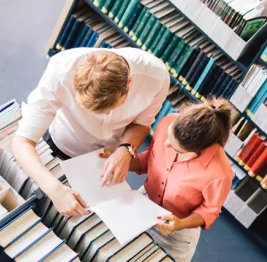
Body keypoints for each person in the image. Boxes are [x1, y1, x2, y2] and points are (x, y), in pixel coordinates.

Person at [13, 48, 170, 217]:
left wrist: (126, 150)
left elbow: (142, 123)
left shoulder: (156, 79)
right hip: (60, 146)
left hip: (104, 163)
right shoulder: (60, 70)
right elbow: (21, 142)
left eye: (111, 108)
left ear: (129, 83)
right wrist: (55, 189)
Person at [100, 97, 234, 262]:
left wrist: (180, 223)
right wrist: (121, 160)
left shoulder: (220, 173)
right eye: (168, 135)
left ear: (197, 151)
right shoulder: (167, 121)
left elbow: (209, 211)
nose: (165, 144)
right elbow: (148, 160)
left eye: (174, 146)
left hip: (175, 232)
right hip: (142, 206)